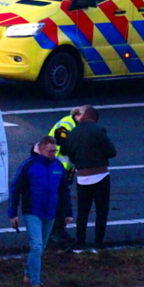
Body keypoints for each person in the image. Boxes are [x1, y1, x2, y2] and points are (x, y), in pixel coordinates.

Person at [9, 135, 71, 287]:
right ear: (42, 150)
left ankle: (28, 274)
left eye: (55, 151)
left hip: (50, 213)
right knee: (37, 246)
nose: (53, 154)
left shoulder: (58, 166)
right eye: (51, 151)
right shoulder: (28, 166)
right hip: (32, 212)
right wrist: (13, 213)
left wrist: (67, 212)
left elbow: (64, 191)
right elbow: (15, 189)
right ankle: (35, 282)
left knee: (40, 247)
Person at [60, 105, 116, 253]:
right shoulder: (98, 130)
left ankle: (80, 240)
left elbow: (66, 151)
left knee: (83, 211)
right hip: (100, 175)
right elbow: (111, 152)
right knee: (101, 211)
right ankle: (98, 243)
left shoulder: (72, 133)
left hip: (82, 177)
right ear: (94, 118)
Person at [48, 107, 82, 250]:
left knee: (61, 201)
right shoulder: (66, 125)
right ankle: (53, 233)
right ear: (78, 115)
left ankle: (59, 230)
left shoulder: (74, 125)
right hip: (54, 169)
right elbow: (63, 147)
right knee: (56, 201)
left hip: (63, 169)